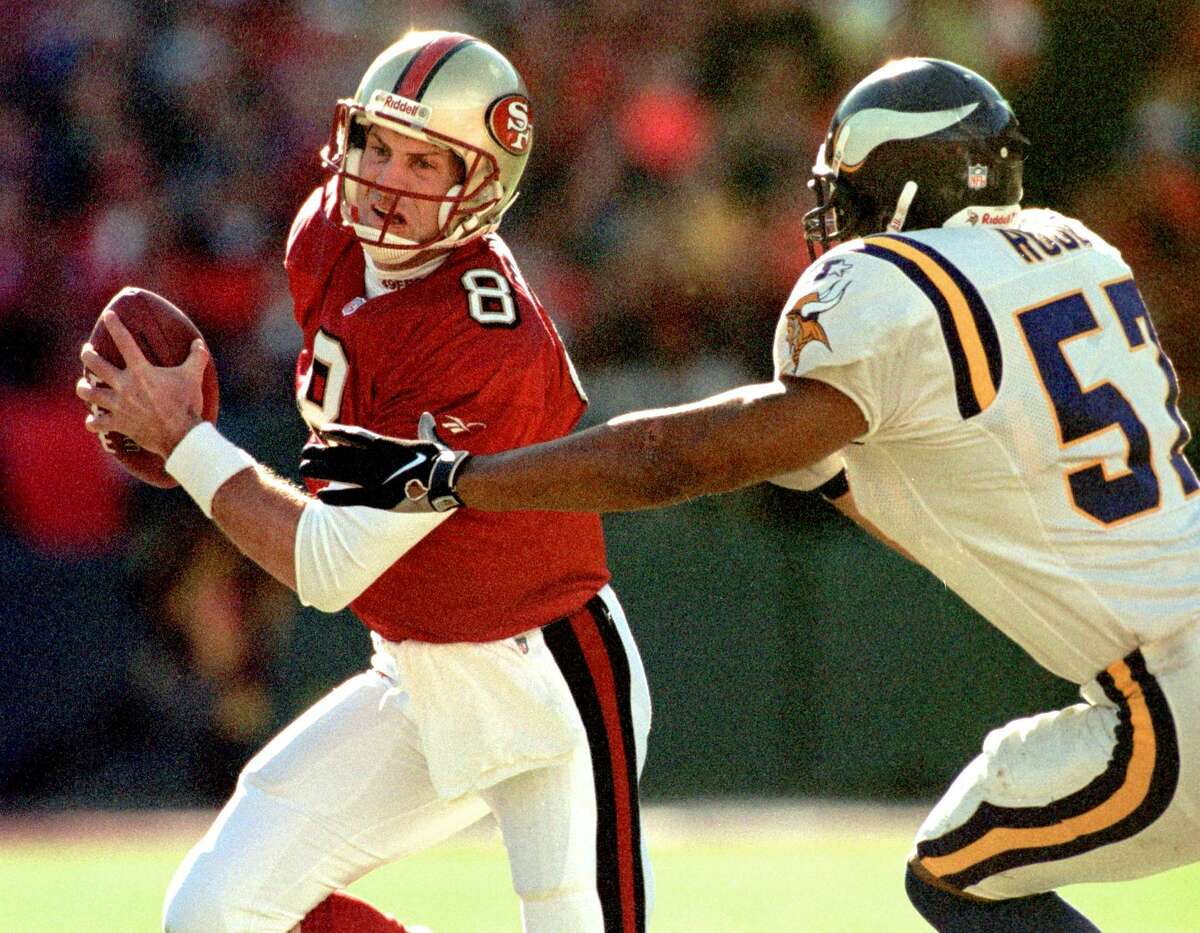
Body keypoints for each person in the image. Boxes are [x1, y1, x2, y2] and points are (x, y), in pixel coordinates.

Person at [299, 58, 1200, 931]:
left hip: (1170, 690)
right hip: (1166, 651)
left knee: (962, 877)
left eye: (849, 191)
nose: (835, 219)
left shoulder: (891, 290)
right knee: (965, 853)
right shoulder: (1080, 252)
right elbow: (925, 490)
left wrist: (455, 478)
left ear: (908, 189)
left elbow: (670, 461)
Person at [77, 30, 652, 933]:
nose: (385, 177)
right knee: (215, 912)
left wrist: (186, 441)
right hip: (415, 668)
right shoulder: (327, 237)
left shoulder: (481, 336)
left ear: (485, 185)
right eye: (378, 144)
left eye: (426, 161)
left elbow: (328, 564)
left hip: (545, 673)